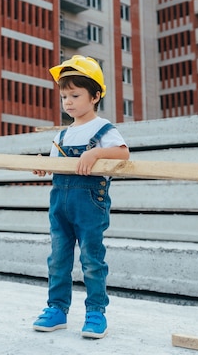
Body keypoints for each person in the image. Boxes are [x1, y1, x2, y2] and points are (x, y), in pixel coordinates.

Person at [32, 55, 129, 339]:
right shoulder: (62, 135)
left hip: (89, 205)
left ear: (95, 95)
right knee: (58, 259)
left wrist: (96, 152)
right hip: (60, 204)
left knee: (92, 259)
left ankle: (96, 312)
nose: (69, 102)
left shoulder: (104, 129)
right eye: (64, 96)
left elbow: (123, 153)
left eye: (75, 95)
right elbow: (54, 166)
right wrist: (43, 164)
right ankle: (57, 310)